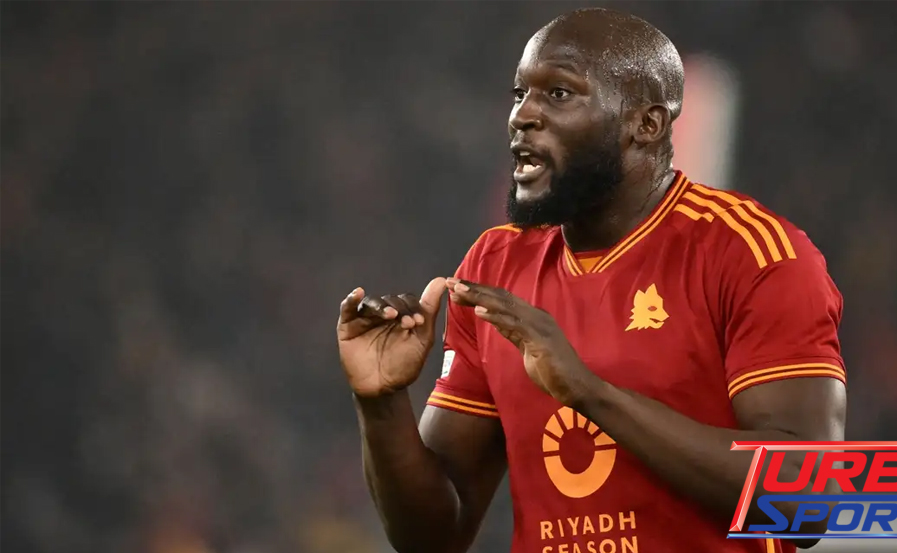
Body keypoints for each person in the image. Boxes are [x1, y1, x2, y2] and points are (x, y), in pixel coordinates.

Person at [337, 8, 846, 553]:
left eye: (558, 94)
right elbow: (433, 538)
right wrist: (382, 404)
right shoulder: (495, 267)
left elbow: (806, 501)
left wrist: (589, 393)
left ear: (645, 125)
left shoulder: (752, 253)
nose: (522, 116)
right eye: (520, 94)